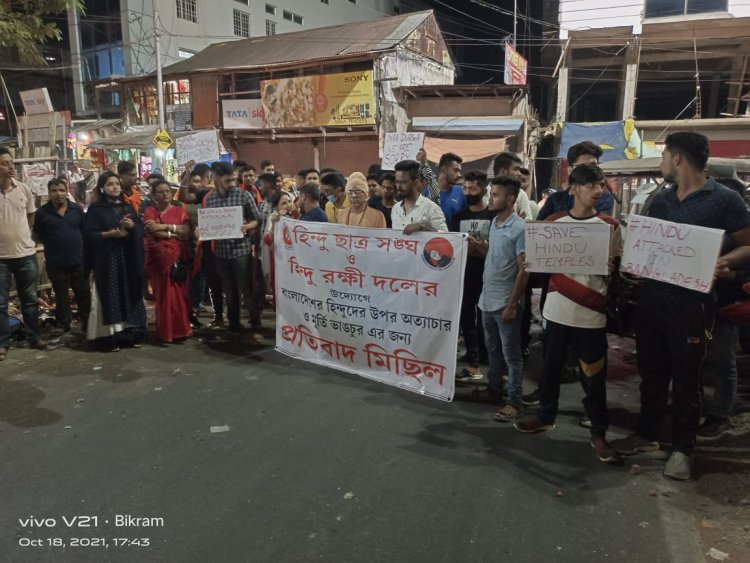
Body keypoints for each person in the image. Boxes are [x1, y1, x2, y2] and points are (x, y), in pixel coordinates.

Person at [611, 132, 750, 480]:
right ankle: (646, 435)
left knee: (688, 381)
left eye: (663, 157)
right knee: (652, 375)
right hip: (652, 301)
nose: (661, 164)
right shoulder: (662, 199)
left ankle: (683, 449)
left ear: (677, 158)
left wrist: (726, 260)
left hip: (693, 306)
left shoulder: (725, 200)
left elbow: (748, 244)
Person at [514, 165, 623, 464]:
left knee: (594, 377)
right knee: (550, 369)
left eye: (600, 185)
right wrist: (528, 262)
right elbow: (540, 266)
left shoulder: (610, 226)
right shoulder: (552, 222)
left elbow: (616, 270)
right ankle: (545, 415)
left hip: (591, 313)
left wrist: (613, 269)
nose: (598, 190)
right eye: (590, 185)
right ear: (573, 188)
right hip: (557, 309)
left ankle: (598, 432)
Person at [467, 176, 527, 421]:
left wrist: (513, 304)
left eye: (495, 195)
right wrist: (475, 245)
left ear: (510, 199)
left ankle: (514, 401)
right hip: (486, 300)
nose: (490, 198)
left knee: (512, 355)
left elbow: (525, 270)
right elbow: (493, 254)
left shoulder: (520, 228)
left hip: (505, 303)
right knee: (492, 352)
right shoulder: (494, 222)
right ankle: (494, 390)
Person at [83, 171, 147, 351]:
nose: (115, 187)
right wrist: (112, 234)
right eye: (110, 184)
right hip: (107, 259)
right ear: (102, 188)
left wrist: (132, 226)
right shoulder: (96, 210)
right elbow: (88, 235)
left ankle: (131, 334)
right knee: (110, 294)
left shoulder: (127, 208)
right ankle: (110, 338)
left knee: (130, 292)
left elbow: (140, 231)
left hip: (128, 258)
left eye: (117, 184)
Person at [0, 147, 50, 360]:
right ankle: (3, 342)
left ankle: (33, 336)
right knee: (0, 304)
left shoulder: (23, 189)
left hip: (25, 254)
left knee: (29, 300)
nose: (11, 166)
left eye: (11, 162)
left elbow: (30, 218)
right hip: (1, 258)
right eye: (5, 163)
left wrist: (22, 238)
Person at [203, 162, 261, 332]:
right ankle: (234, 323)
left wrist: (247, 226)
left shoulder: (243, 196)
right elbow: (208, 225)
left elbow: (257, 219)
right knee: (229, 290)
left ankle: (255, 322)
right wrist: (203, 230)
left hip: (241, 251)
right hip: (221, 252)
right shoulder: (210, 199)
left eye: (234, 180)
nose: (232, 184)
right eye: (228, 180)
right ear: (218, 179)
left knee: (246, 288)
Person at [450, 171, 493, 381]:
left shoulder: (494, 217)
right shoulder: (459, 218)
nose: (468, 193)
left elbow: (493, 251)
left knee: (487, 321)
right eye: (465, 188)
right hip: (465, 276)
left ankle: (490, 362)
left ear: (484, 189)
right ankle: (474, 364)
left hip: (490, 277)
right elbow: (454, 248)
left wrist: (478, 249)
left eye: (473, 189)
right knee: (467, 319)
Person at [33, 178, 91, 334]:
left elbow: (84, 231)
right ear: (49, 193)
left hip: (78, 260)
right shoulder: (42, 213)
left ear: (66, 191)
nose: (58, 194)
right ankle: (63, 324)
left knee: (83, 294)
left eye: (61, 190)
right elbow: (38, 235)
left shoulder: (76, 209)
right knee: (61, 295)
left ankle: (87, 323)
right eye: (54, 190)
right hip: (56, 262)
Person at [143, 180, 192, 344]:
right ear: (153, 195)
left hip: (177, 258)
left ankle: (181, 330)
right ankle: (166, 332)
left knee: (179, 295)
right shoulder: (150, 210)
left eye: (167, 191)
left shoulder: (180, 211)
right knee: (163, 296)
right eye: (160, 192)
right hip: (159, 260)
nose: (165, 194)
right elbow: (151, 229)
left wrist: (164, 227)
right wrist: (174, 232)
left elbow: (186, 231)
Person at [538, 142, 614, 219]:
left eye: (593, 165)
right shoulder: (556, 200)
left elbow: (600, 225)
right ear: (570, 170)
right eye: (582, 166)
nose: (588, 170)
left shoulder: (604, 198)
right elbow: (538, 226)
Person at [391, 160, 448, 234]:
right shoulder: (396, 208)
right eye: (397, 182)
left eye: (403, 182)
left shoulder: (431, 208)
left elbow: (445, 237)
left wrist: (422, 228)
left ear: (415, 182)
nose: (398, 187)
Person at [262, 190, 294, 298]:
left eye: (289, 201)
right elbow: (267, 240)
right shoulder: (273, 218)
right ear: (276, 207)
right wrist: (275, 223)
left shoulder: (296, 217)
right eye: (284, 203)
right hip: (279, 260)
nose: (288, 205)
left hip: (294, 261)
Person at [422, 152, 465, 224]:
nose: (459, 175)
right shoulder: (425, 194)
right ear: (443, 170)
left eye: (459, 171)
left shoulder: (461, 193)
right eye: (455, 170)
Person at [493, 153, 532, 220]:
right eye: (516, 169)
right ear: (503, 171)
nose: (519, 174)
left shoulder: (521, 194)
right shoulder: (484, 193)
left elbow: (527, 222)